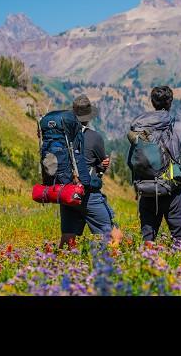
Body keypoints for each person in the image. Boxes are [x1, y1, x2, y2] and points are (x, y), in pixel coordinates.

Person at [127, 86, 181, 249]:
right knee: (180, 235)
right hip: (172, 189)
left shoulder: (141, 129)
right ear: (170, 102)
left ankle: (148, 266)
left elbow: (131, 161)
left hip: (147, 188)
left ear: (152, 102)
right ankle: (179, 269)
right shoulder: (179, 127)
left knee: (148, 236)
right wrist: (178, 174)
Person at [59, 95, 120, 249]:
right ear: (88, 117)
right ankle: (106, 267)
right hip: (88, 195)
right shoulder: (94, 137)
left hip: (67, 193)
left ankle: (57, 267)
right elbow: (99, 165)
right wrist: (102, 165)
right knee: (113, 234)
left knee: (68, 237)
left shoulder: (62, 136)